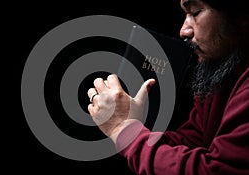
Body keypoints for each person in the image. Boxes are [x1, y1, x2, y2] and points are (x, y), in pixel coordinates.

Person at [87, 0, 249, 174]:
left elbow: (216, 170)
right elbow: (193, 140)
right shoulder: (223, 74)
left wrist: (123, 130)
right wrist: (130, 124)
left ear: (241, 15)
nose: (184, 31)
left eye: (195, 12)